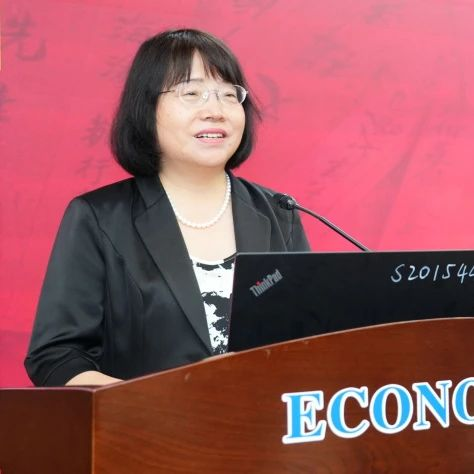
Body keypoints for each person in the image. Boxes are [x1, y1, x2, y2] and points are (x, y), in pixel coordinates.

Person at [24, 29, 310, 387]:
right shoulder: (99, 218)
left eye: (228, 94)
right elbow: (57, 356)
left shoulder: (279, 213)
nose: (215, 111)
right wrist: (154, 405)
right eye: (191, 93)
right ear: (147, 109)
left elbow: (310, 340)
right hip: (143, 422)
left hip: (262, 421)